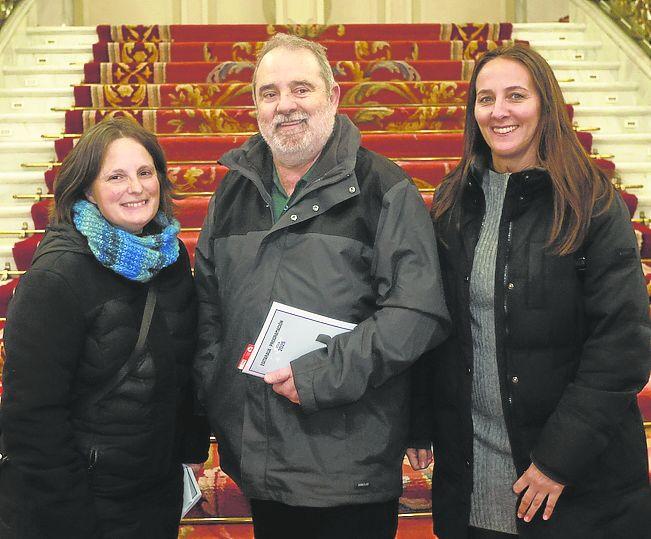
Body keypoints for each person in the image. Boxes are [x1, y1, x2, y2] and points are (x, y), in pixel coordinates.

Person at [193, 32, 450, 539]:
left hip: (351, 464)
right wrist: (220, 393)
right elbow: (207, 307)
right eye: (269, 93)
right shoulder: (232, 192)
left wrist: (320, 375)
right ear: (255, 106)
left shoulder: (385, 188)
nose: (285, 105)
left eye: (301, 89)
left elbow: (416, 315)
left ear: (333, 96)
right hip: (260, 459)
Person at [407, 44, 651, 539]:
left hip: (576, 482)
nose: (498, 112)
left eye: (516, 96)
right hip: (471, 476)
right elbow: (432, 321)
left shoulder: (592, 202)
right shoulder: (453, 201)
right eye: (485, 99)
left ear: (546, 104)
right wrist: (418, 418)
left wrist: (557, 462)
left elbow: (622, 345)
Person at [0, 117, 210, 538]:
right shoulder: (56, 276)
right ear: (87, 191)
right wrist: (69, 514)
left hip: (151, 493)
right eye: (116, 176)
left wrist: (189, 448)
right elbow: (33, 417)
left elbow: (185, 359)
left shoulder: (168, 258)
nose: (136, 187)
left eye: (145, 172)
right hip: (79, 502)